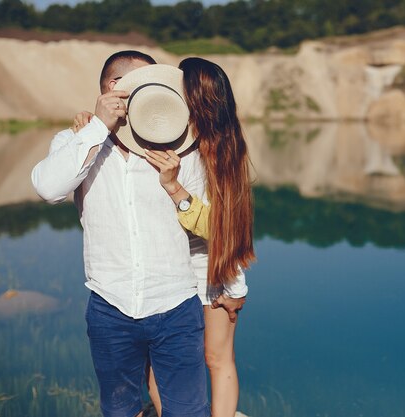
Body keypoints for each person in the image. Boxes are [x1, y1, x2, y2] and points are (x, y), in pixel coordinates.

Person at [31, 50, 210, 417]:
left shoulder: (183, 148)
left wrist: (175, 187)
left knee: (189, 411)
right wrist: (98, 126)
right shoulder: (76, 140)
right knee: (119, 410)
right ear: (115, 88)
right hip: (110, 307)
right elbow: (48, 188)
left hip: (175, 303)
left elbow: (210, 225)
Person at [144, 57, 255, 417]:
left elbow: (222, 227)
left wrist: (176, 189)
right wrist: (89, 123)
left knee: (216, 357)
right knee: (158, 362)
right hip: (166, 267)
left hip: (212, 269)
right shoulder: (161, 136)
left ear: (197, 99)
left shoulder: (225, 150)